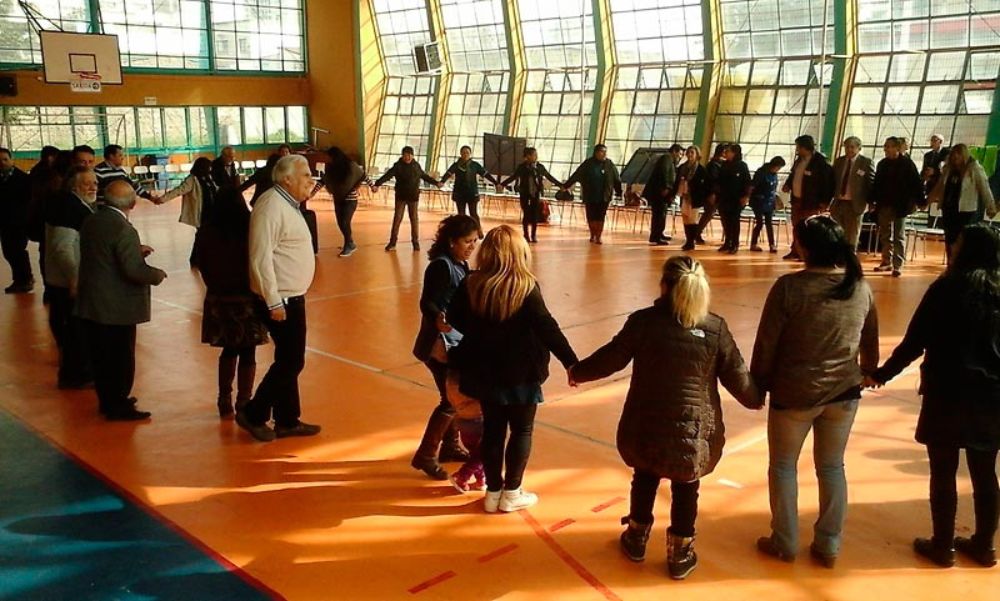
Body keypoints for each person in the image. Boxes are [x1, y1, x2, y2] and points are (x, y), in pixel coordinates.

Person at [569, 256, 761, 579]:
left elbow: (612, 358)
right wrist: (756, 399)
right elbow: (738, 376)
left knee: (644, 476)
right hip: (694, 428)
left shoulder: (644, 322)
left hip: (645, 423)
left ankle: (636, 537)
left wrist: (578, 372)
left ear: (664, 286)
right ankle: (681, 552)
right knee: (687, 486)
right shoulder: (715, 328)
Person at [868, 225, 1000, 568]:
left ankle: (943, 545)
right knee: (985, 472)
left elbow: (915, 341)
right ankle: (985, 546)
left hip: (948, 390)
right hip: (992, 394)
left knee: (943, 469)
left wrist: (882, 374)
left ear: (964, 250)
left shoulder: (947, 288)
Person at [752, 216, 879, 567]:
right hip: (844, 393)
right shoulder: (860, 287)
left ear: (804, 247)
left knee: (782, 466)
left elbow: (766, 345)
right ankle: (828, 544)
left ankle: (785, 540)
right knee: (832, 467)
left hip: (794, 393)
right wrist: (868, 372)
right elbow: (870, 342)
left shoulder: (790, 288)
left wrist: (758, 386)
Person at [446, 225, 577, 512]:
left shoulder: (472, 283)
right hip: (522, 373)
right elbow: (547, 327)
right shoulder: (525, 286)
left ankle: (493, 492)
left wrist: (481, 331)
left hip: (484, 371)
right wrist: (571, 363)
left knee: (493, 430)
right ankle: (512, 492)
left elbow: (454, 317)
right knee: (521, 431)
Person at [238, 155, 320, 442]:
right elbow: (260, 258)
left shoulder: (288, 204)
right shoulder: (271, 206)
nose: (311, 179)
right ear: (286, 179)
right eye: (306, 174)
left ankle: (287, 419)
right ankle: (254, 413)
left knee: (288, 358)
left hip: (291, 296)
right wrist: (273, 301)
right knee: (291, 361)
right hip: (280, 299)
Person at [75, 180, 167, 420]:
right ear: (133, 204)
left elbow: (105, 252)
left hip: (92, 300)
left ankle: (108, 400)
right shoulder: (124, 229)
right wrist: (156, 275)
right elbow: (133, 271)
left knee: (101, 358)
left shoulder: (91, 220)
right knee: (121, 358)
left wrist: (135, 249)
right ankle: (119, 404)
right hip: (116, 306)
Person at [410, 215, 480, 480]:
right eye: (467, 241)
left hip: (453, 340)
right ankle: (426, 455)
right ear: (451, 241)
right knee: (451, 399)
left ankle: (450, 446)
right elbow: (427, 302)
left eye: (474, 241)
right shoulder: (441, 267)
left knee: (452, 396)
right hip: (439, 345)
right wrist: (438, 318)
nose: (472, 246)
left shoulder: (459, 262)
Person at [196, 187, 268, 418]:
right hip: (247, 298)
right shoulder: (249, 229)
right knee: (249, 352)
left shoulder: (206, 231)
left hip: (218, 298)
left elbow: (199, 262)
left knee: (228, 350)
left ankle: (223, 398)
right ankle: (244, 401)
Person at [44, 166, 97, 389]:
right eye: (87, 184)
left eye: (95, 183)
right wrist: (75, 278)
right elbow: (62, 248)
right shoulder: (69, 209)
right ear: (74, 187)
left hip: (64, 281)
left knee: (75, 330)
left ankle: (78, 372)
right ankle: (76, 375)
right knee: (76, 331)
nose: (93, 187)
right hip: (67, 283)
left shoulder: (73, 205)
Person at [928, 144, 997, 260]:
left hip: (966, 212)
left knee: (964, 240)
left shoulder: (974, 168)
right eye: (953, 155)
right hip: (949, 210)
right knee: (950, 239)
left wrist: (991, 206)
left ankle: (963, 266)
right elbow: (939, 186)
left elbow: (984, 188)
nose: (955, 157)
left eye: (958, 154)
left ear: (964, 155)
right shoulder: (948, 169)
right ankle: (951, 265)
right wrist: (927, 201)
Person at [372, 146, 441, 252]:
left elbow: (424, 176)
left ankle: (415, 242)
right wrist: (377, 184)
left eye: (410, 155)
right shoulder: (398, 166)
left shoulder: (416, 166)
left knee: (414, 220)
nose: (408, 157)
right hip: (401, 196)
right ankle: (392, 242)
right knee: (397, 219)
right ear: (402, 155)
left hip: (413, 197)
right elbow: (387, 175)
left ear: (412, 156)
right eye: (406, 155)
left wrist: (436, 183)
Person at [872, 136, 923, 277]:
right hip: (884, 204)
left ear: (896, 148)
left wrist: (921, 202)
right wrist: (872, 200)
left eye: (889, 146)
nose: (886, 149)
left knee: (898, 235)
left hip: (901, 205)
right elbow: (876, 184)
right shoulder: (882, 164)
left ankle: (898, 264)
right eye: (885, 146)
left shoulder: (908, 164)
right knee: (885, 235)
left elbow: (916, 184)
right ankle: (886, 261)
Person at [156, 157, 220, 267]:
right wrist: (163, 199)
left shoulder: (208, 178)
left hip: (212, 211)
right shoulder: (192, 179)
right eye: (208, 166)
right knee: (202, 234)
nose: (210, 169)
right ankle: (196, 258)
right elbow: (179, 190)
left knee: (205, 235)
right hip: (201, 212)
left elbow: (215, 189)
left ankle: (200, 257)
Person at [781, 135, 834, 261]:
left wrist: (825, 201)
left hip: (812, 202)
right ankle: (796, 250)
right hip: (797, 200)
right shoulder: (799, 160)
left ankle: (808, 253)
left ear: (806, 147)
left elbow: (828, 183)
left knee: (809, 228)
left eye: (799, 147)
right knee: (796, 226)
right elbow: (793, 174)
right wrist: (788, 184)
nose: (797, 150)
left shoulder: (821, 162)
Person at [499, 147, 564, 244]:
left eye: (536, 154)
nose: (536, 156)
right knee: (526, 214)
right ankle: (526, 234)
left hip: (535, 193)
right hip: (524, 193)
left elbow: (549, 176)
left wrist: (560, 185)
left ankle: (533, 235)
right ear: (527, 156)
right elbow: (514, 177)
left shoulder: (539, 167)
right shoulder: (522, 167)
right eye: (533, 155)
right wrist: (502, 184)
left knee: (534, 215)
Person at [564, 144, 623, 245]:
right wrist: (566, 186)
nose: (604, 154)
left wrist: (619, 192)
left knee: (601, 216)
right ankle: (593, 233)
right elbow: (576, 175)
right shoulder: (588, 164)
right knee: (591, 216)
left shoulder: (609, 164)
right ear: (596, 152)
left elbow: (616, 179)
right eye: (602, 151)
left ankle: (598, 236)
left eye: (605, 152)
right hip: (590, 194)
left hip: (604, 195)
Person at [439, 146, 501, 236]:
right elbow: (448, 173)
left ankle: (478, 229)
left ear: (470, 154)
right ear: (460, 154)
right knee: (461, 214)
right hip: (459, 193)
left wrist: (496, 183)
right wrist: (442, 182)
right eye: (463, 152)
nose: (465, 154)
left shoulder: (475, 165)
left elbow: (485, 174)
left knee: (473, 213)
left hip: (472, 192)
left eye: (467, 153)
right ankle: (463, 232)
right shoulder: (456, 165)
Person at [322, 146, 371, 257]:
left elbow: (363, 175)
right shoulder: (330, 168)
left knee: (345, 222)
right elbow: (323, 180)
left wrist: (373, 187)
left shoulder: (350, 165)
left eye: (329, 157)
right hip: (338, 198)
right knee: (340, 223)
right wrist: (312, 193)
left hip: (350, 199)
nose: (327, 160)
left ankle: (348, 245)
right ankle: (350, 242)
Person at [830, 136, 875, 250]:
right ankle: (837, 256)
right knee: (837, 231)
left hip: (855, 204)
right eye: (846, 147)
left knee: (852, 233)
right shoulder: (839, 161)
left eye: (852, 147)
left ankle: (850, 257)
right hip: (839, 202)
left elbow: (870, 183)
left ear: (859, 148)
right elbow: (833, 181)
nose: (849, 150)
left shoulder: (866, 162)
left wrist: (871, 202)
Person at [0, 147, 35, 293]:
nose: (2, 163)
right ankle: (21, 279)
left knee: (17, 250)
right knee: (8, 251)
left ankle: (25, 279)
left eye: (5, 159)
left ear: (11, 160)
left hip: (19, 221)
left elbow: (28, 200)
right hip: (4, 221)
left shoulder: (23, 179)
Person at [642, 144, 684, 245]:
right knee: (659, 214)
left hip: (662, 192)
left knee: (661, 214)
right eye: (680, 154)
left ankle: (659, 233)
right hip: (660, 192)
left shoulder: (670, 161)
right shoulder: (666, 159)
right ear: (674, 151)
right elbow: (664, 173)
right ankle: (656, 236)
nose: (680, 156)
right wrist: (666, 187)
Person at [716, 144, 751, 254]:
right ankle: (727, 242)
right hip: (724, 198)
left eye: (728, 151)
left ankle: (735, 244)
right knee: (725, 221)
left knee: (734, 222)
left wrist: (746, 196)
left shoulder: (742, 166)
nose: (725, 153)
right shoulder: (724, 165)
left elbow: (747, 182)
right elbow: (719, 181)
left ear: (735, 153)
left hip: (736, 199)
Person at [750, 157, 786, 253]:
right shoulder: (761, 173)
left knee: (769, 223)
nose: (778, 170)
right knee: (760, 223)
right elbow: (752, 186)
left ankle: (772, 244)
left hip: (769, 202)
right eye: (778, 167)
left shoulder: (774, 175)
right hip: (758, 202)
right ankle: (753, 243)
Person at [694, 144, 728, 245]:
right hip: (713, 194)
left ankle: (697, 233)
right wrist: (712, 193)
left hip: (718, 194)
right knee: (709, 214)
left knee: (713, 214)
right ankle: (696, 233)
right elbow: (712, 180)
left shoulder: (720, 164)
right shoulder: (713, 164)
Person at [677, 145, 708, 251]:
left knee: (692, 220)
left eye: (692, 153)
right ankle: (688, 240)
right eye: (689, 152)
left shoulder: (700, 169)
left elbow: (704, 185)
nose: (690, 155)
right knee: (685, 219)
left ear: (697, 155)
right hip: (684, 196)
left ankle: (691, 241)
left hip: (695, 198)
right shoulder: (682, 167)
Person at [922, 134, 950, 200]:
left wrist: (935, 171)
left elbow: (948, 169)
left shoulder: (947, 153)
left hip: (941, 184)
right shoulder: (927, 155)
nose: (932, 142)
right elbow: (924, 168)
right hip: (930, 184)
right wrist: (924, 176)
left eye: (934, 140)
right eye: (931, 140)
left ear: (940, 142)